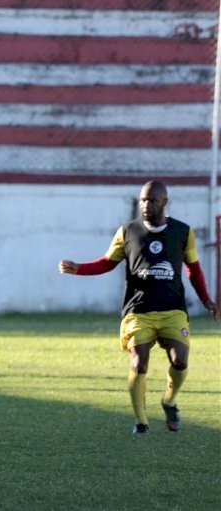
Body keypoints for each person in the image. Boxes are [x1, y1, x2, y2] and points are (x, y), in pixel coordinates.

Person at [59, 179, 218, 435]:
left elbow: (194, 268)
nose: (146, 205)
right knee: (138, 363)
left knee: (180, 359)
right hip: (138, 311)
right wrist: (79, 269)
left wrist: (206, 300)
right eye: (143, 199)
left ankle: (169, 401)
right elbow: (107, 262)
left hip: (172, 310)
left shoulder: (183, 231)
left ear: (164, 202)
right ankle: (141, 421)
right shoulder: (127, 231)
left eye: (152, 200)